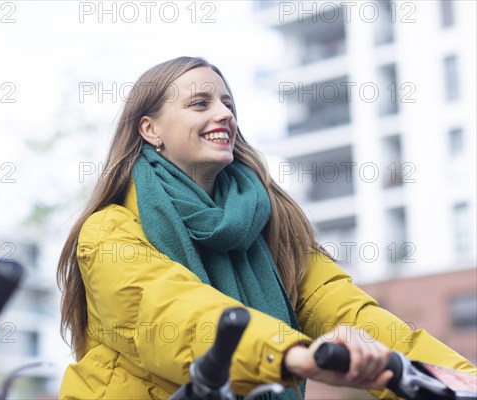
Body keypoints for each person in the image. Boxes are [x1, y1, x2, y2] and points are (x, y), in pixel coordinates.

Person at [56, 56, 476, 399]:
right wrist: (288, 354)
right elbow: (171, 314)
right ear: (150, 129)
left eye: (228, 105)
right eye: (200, 104)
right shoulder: (109, 230)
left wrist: (457, 378)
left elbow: (350, 312)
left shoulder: (273, 225)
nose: (224, 114)